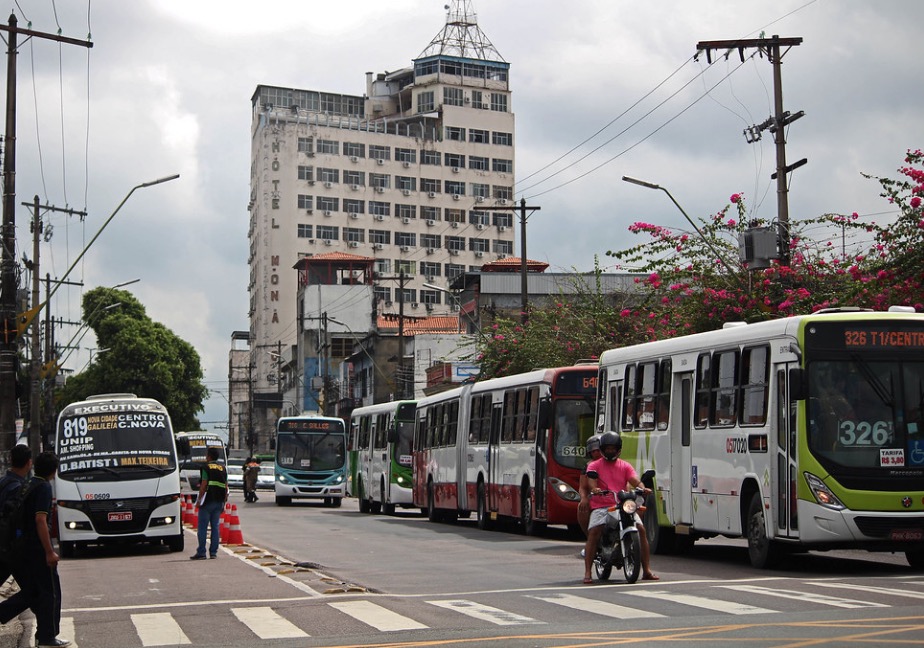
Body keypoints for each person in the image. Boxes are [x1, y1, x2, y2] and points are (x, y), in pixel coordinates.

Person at [0, 451, 69, 648]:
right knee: (47, 593)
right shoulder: (42, 487)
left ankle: (45, 634)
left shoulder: (26, 485)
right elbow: (40, 520)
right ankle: (46, 637)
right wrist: (49, 551)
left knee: (38, 592)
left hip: (17, 548)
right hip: (35, 550)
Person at [582, 431, 658, 584]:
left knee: (641, 530)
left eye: (613, 448)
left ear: (618, 449)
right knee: (595, 531)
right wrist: (595, 489)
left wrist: (643, 488)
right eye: (607, 448)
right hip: (602, 506)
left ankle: (647, 570)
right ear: (603, 449)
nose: (610, 451)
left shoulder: (625, 466)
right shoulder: (594, 465)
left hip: (622, 505)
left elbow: (635, 480)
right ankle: (588, 572)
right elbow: (591, 481)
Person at [0, 445, 33, 585]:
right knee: (32, 590)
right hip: (9, 546)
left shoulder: (3, 482)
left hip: (4, 544)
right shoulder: (18, 488)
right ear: (29, 463)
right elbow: (16, 519)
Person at [190, 447, 228, 560]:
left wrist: (198, 501)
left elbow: (203, 485)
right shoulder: (223, 468)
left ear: (209, 456)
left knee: (202, 527)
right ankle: (213, 553)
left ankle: (201, 552)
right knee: (215, 527)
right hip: (219, 501)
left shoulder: (205, 468)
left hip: (207, 501)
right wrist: (224, 502)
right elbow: (226, 487)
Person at [577, 434, 602, 540]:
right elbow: (582, 486)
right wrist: (584, 498)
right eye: (593, 450)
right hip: (596, 497)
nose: (596, 453)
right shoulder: (588, 466)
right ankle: (590, 538)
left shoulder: (619, 464)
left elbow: (628, 481)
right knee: (582, 508)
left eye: (598, 450)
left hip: (613, 497)